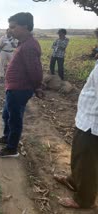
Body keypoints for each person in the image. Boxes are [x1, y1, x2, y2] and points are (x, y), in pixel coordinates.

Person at [0, 12, 44, 158]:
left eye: (13, 27)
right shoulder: (23, 44)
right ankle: (7, 137)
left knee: (15, 118)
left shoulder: (29, 46)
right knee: (7, 115)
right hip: (13, 88)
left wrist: (38, 86)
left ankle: (12, 148)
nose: (10, 30)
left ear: (25, 27)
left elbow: (35, 70)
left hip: (20, 89)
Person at [53, 62, 98, 209]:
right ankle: (73, 180)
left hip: (93, 124)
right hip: (87, 120)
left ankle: (84, 200)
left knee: (87, 163)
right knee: (79, 156)